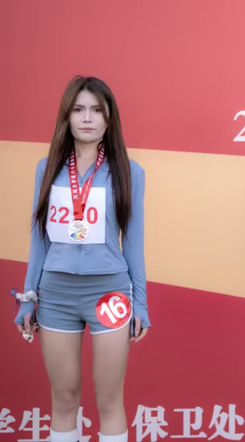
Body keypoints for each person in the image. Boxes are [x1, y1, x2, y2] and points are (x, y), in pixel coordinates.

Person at [13, 76, 149, 442]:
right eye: (78, 110)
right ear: (66, 117)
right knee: (63, 398)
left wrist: (141, 304)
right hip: (55, 295)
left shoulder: (130, 172)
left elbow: (133, 244)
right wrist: (27, 298)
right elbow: (39, 239)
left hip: (110, 294)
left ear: (109, 119)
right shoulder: (47, 169)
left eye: (96, 111)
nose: (87, 118)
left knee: (109, 399)